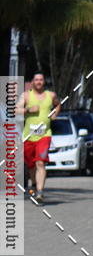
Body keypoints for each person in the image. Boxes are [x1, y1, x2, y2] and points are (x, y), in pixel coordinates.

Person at [16, 73, 61, 203]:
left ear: (44, 82)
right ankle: (35, 186)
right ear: (32, 82)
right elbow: (15, 110)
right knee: (31, 165)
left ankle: (40, 192)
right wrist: (28, 110)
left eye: (41, 80)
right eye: (36, 80)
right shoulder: (26, 96)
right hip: (29, 136)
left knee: (40, 162)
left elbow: (58, 105)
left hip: (44, 135)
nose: (39, 82)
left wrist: (54, 113)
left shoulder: (50, 95)